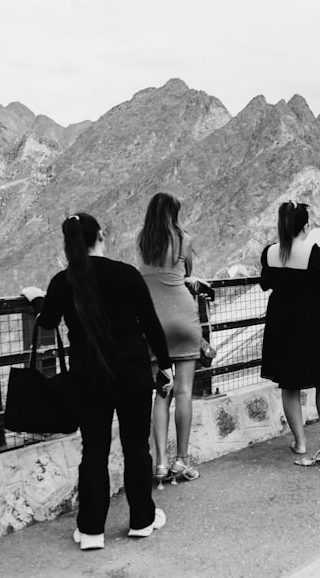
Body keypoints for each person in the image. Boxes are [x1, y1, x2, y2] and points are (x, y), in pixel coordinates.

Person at [21, 213, 171, 550]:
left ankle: (90, 530)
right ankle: (142, 521)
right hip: (131, 372)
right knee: (136, 445)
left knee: (94, 449)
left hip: (87, 374)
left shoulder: (64, 280)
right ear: (100, 236)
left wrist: (36, 297)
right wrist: (165, 366)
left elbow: (48, 320)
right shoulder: (126, 274)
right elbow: (151, 324)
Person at [260, 201, 320, 466]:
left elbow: (266, 282)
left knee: (289, 384)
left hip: (281, 320)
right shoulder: (312, 252)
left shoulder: (271, 253)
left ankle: (299, 442)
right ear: (306, 226)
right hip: (310, 319)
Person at [137, 193, 203, 485]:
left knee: (162, 393)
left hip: (153, 322)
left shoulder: (142, 240)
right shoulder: (183, 239)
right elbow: (186, 272)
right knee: (185, 392)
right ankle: (182, 460)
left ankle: (161, 463)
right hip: (184, 318)